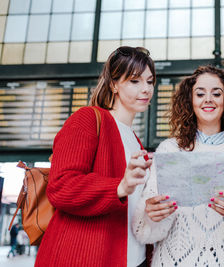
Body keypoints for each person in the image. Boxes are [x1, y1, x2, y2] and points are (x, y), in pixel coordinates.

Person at [132, 66, 224, 266]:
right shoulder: (169, 150)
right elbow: (143, 231)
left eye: (216, 93)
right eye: (200, 94)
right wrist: (152, 216)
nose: (208, 99)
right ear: (190, 101)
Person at [35, 46, 155, 267]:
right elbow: (60, 186)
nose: (146, 89)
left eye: (150, 81)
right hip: (87, 255)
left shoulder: (134, 139)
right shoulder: (88, 119)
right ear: (113, 84)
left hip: (133, 257)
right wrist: (119, 187)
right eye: (135, 81)